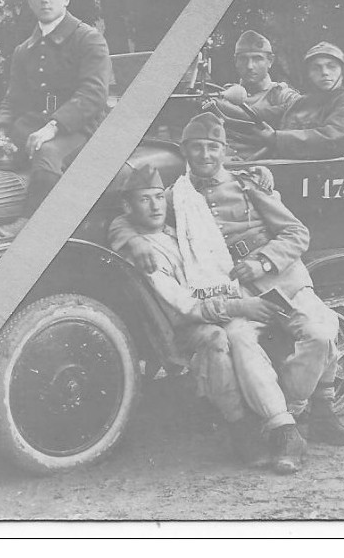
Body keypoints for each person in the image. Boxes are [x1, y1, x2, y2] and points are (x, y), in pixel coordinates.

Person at [111, 113, 344, 474]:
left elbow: (296, 233)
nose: (205, 155)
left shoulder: (249, 184)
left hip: (281, 280)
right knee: (241, 341)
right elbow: (126, 217)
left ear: (225, 151)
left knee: (322, 334)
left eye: (213, 147)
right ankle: (285, 430)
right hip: (233, 291)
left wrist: (262, 263)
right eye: (196, 148)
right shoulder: (176, 196)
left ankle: (298, 408)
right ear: (185, 152)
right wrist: (132, 241)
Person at [110, 164, 280, 468]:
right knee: (218, 339)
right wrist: (239, 305)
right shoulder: (145, 252)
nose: (155, 206)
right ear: (128, 206)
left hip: (212, 306)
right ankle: (239, 427)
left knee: (249, 331)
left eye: (159, 197)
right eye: (144, 200)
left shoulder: (175, 232)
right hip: (182, 326)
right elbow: (184, 306)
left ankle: (281, 414)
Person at [0, 0, 112, 219]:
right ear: (29, 1)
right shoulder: (24, 50)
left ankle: (28, 230)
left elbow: (93, 94)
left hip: (80, 129)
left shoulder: (88, 39)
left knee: (47, 157)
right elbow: (13, 100)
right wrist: (0, 134)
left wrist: (52, 128)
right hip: (33, 127)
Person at [232, 41, 344, 159]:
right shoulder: (301, 102)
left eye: (331, 66)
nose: (325, 72)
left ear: (342, 71)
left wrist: (277, 138)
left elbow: (338, 137)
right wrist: (224, 105)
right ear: (308, 73)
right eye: (316, 67)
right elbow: (263, 114)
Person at [212, 30, 301, 160]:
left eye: (257, 58)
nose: (249, 66)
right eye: (243, 59)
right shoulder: (224, 94)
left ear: (270, 61)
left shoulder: (283, 95)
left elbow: (298, 123)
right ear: (236, 61)